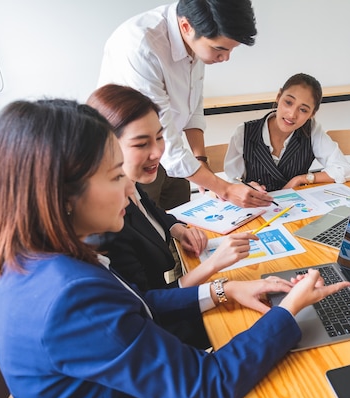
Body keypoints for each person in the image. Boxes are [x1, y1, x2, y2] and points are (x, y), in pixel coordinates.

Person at [0, 98, 350, 398]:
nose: (130, 188)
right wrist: (287, 311)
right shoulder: (70, 296)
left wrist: (224, 290)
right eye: (115, 177)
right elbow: (208, 385)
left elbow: (134, 308)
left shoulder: (29, 255)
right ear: (61, 197)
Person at [98, 0, 273, 210]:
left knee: (181, 226)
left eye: (230, 50)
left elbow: (192, 106)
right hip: (134, 159)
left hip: (175, 152)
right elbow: (162, 132)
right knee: (149, 230)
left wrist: (200, 160)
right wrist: (224, 188)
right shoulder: (140, 45)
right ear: (186, 27)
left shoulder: (195, 39)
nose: (225, 58)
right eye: (219, 49)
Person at [87, 84, 255, 292]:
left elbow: (152, 211)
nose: (157, 152)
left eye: (159, 137)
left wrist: (177, 229)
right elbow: (149, 303)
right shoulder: (108, 224)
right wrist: (213, 266)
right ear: (106, 146)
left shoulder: (131, 183)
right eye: (141, 144)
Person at [224, 73, 350, 192]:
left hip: (296, 208)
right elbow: (232, 181)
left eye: (303, 110)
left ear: (312, 114)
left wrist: (302, 179)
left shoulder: (311, 130)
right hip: (255, 208)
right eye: (288, 102)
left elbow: (343, 169)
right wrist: (244, 187)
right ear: (279, 96)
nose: (292, 114)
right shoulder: (245, 132)